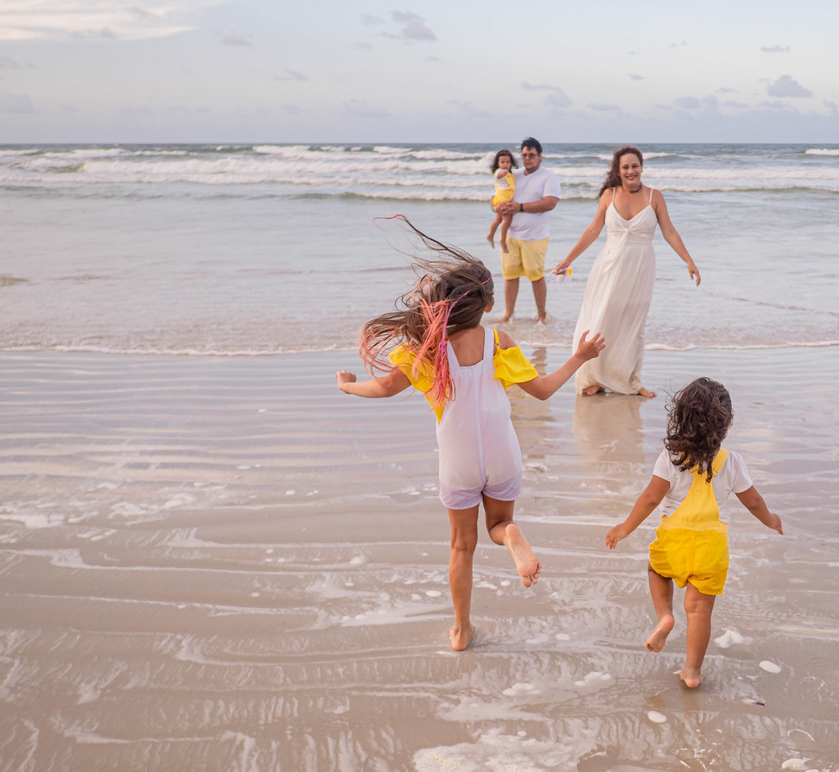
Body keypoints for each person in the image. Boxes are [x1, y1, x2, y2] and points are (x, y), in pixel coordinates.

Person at [335, 219, 605, 652]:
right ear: (484, 306)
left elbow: (383, 388)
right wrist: (580, 356)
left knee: (462, 547)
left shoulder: (426, 348)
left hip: (458, 461)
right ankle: (511, 536)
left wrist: (347, 385)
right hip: (502, 454)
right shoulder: (498, 340)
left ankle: (461, 630)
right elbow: (543, 391)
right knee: (499, 523)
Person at [604, 377, 783, 689]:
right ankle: (691, 672)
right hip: (710, 550)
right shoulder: (732, 462)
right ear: (726, 425)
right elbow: (753, 501)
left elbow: (650, 498)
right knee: (699, 612)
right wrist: (770, 519)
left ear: (681, 420)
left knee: (655, 570)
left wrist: (625, 528)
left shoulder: (672, 459)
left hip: (673, 541)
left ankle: (664, 616)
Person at [554, 146, 700, 398]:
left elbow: (670, 232)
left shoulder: (655, 197)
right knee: (600, 321)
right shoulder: (608, 196)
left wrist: (689, 260)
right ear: (618, 170)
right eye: (625, 167)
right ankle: (594, 378)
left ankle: (632, 381)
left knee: (633, 325)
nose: (631, 171)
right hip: (608, 267)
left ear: (641, 167)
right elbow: (592, 231)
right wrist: (567, 259)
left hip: (640, 268)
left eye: (635, 166)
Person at [493, 137, 560, 323]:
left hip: (535, 237)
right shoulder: (513, 175)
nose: (527, 158)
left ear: (540, 156)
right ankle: (508, 314)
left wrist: (519, 207)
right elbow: (496, 196)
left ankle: (541, 316)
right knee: (510, 276)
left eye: (531, 155)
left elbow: (550, 203)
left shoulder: (548, 177)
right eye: (524, 155)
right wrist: (497, 208)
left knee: (536, 276)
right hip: (510, 236)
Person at [486, 149, 517, 248]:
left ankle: (490, 235)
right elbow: (498, 176)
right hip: (502, 199)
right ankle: (502, 241)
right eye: (502, 162)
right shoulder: (499, 172)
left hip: (503, 198)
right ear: (498, 163)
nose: (505, 164)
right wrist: (502, 172)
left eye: (508, 162)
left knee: (498, 219)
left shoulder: (510, 174)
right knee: (507, 221)